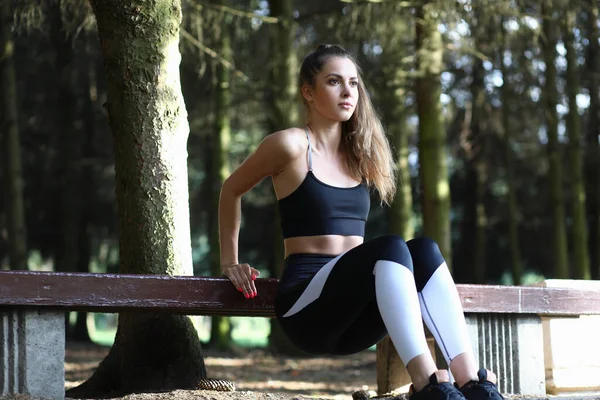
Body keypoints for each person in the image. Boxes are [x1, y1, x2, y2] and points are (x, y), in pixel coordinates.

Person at [218, 44, 504, 400]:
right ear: (309, 92)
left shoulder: (359, 154)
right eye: (334, 81)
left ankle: (471, 382)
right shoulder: (290, 145)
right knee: (390, 246)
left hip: (359, 318)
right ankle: (429, 384)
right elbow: (232, 189)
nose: (347, 91)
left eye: (353, 83)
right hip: (307, 310)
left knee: (425, 249)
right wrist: (230, 261)